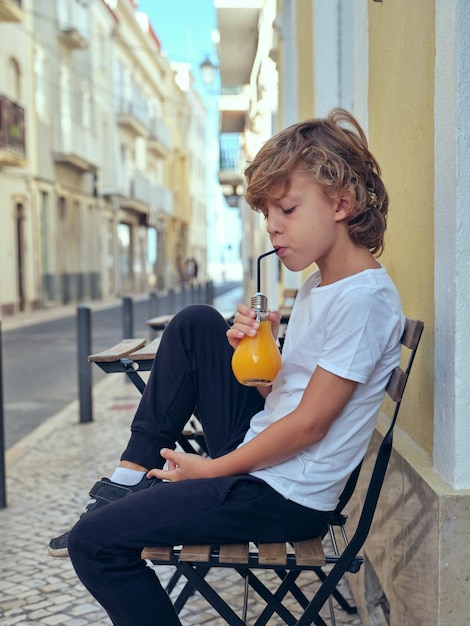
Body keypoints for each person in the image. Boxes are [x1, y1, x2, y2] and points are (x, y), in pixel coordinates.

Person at [51, 108, 404, 626]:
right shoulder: (318, 285)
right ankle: (128, 477)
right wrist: (250, 350)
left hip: (287, 494)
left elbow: (310, 423)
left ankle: (130, 499)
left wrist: (210, 470)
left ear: (341, 204)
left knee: (95, 543)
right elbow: (282, 397)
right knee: (197, 324)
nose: (272, 226)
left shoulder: (363, 299)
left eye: (286, 208)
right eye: (265, 213)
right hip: (270, 458)